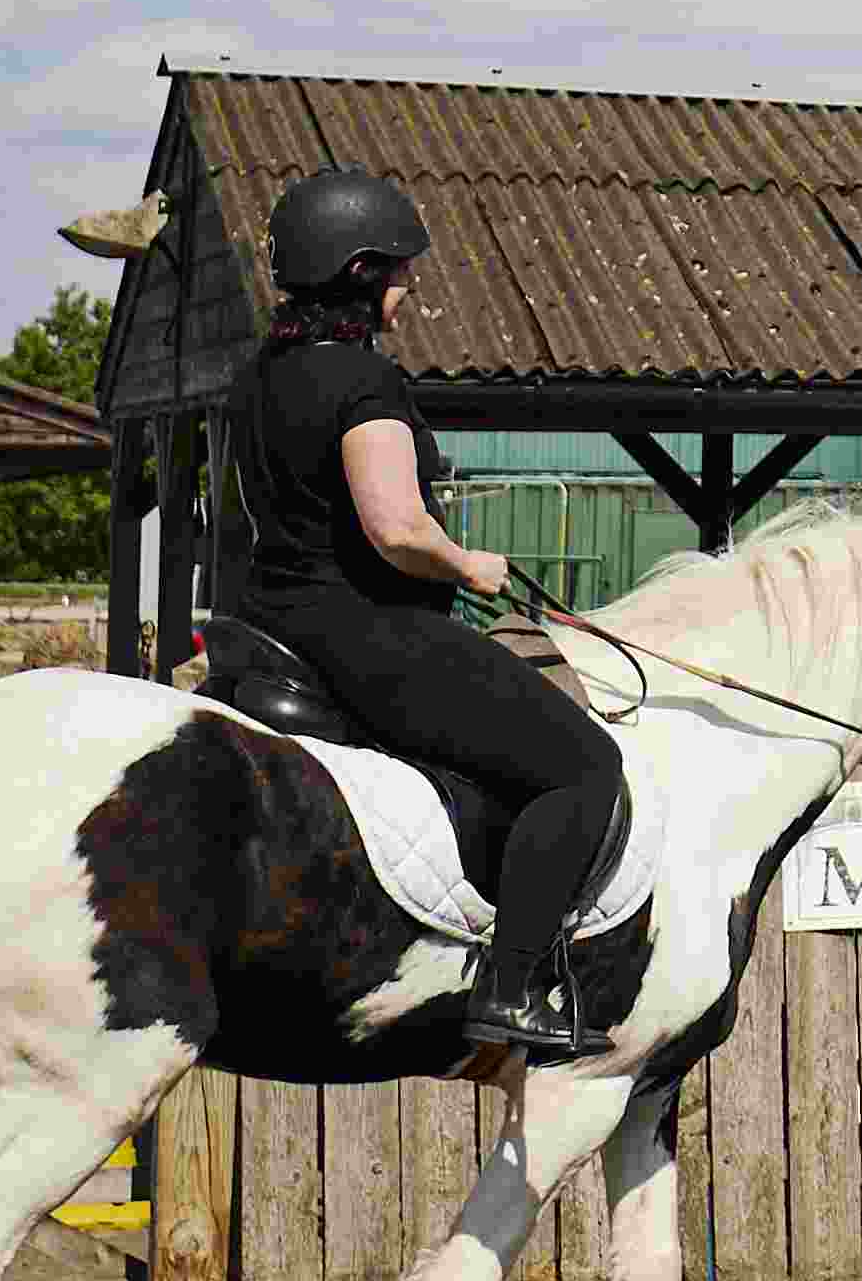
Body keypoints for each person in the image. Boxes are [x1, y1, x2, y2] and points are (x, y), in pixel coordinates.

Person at [214, 166, 624, 1069]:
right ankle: (511, 987)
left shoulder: (255, 376)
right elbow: (397, 530)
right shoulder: (363, 381)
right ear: (360, 273)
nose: (411, 286)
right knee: (584, 767)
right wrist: (471, 565)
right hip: (368, 629)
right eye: (400, 270)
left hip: (272, 617)